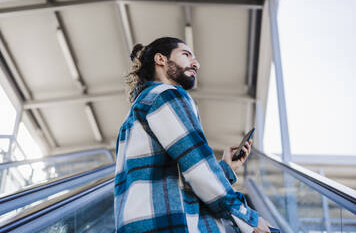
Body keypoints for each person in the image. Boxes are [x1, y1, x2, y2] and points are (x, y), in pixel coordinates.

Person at [114, 37, 271, 233]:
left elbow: (185, 177)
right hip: (172, 225)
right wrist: (247, 217)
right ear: (161, 59)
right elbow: (198, 169)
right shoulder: (167, 95)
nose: (196, 64)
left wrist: (226, 168)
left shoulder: (136, 113)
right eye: (186, 55)